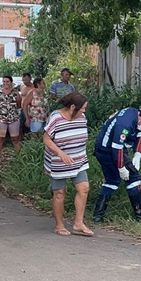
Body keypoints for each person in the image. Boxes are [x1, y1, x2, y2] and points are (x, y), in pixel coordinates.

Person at [92, 107, 141, 222]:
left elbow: (139, 135)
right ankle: (140, 213)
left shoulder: (135, 115)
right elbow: (117, 148)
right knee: (133, 178)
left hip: (108, 148)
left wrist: (137, 154)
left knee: (112, 180)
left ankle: (98, 215)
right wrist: (121, 168)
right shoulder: (124, 125)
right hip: (107, 150)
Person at [43, 92, 93, 237]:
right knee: (59, 193)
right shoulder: (56, 118)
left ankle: (78, 223)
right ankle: (59, 225)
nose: (84, 111)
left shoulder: (82, 118)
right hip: (59, 162)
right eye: (82, 108)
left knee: (84, 188)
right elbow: (46, 139)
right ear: (72, 107)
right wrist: (61, 153)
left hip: (79, 160)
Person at [0, 75, 23, 168]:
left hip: (14, 119)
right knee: (0, 139)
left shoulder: (16, 93)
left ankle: (20, 159)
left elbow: (19, 104)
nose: (5, 83)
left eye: (7, 81)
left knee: (15, 139)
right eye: (4, 81)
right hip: (2, 119)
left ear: (11, 82)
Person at [19, 72, 34, 137]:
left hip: (31, 110)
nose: (25, 82)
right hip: (23, 109)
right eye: (23, 80)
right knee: (21, 126)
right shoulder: (22, 86)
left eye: (26, 80)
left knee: (30, 126)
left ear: (30, 79)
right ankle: (23, 140)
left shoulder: (34, 87)